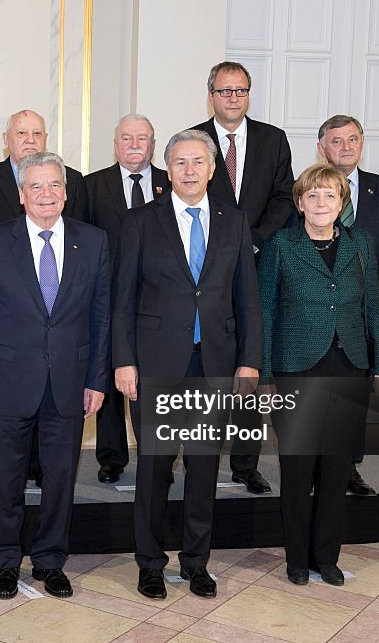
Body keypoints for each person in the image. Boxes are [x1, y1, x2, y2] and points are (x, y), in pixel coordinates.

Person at [113, 129, 261, 600]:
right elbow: (122, 302)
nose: (190, 170)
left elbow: (248, 300)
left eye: (198, 162)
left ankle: (196, 562)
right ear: (167, 168)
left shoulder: (233, 221)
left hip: (211, 364)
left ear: (213, 169)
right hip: (155, 367)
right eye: (180, 162)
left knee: (202, 472)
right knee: (154, 472)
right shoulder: (140, 222)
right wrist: (124, 362)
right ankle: (150, 564)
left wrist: (248, 363)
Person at [0, 152, 109, 600]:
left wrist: (97, 381)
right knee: (5, 479)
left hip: (70, 382)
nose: (46, 194)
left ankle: (50, 560)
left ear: (66, 192)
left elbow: (102, 318)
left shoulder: (95, 241)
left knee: (61, 477)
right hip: (7, 383)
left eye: (54, 186)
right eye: (36, 187)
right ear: (21, 195)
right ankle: (6, 560)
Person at [257, 163, 379, 587]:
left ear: (342, 203)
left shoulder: (361, 245)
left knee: (336, 470)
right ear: (299, 203)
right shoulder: (281, 245)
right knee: (297, 471)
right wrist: (263, 373)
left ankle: (326, 558)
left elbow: (373, 307)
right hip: (295, 369)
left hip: (349, 366)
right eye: (312, 195)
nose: (320, 203)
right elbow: (264, 312)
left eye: (329, 195)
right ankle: (297, 559)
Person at [0, 110, 89, 490]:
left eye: (36, 132)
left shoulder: (71, 181)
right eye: (21, 132)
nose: (29, 138)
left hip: (58, 334)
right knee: (2, 438)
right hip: (6, 326)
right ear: (7, 138)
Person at [190, 61, 295, 496]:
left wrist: (250, 242)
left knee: (252, 359)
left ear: (248, 95)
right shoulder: (193, 140)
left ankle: (246, 464)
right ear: (211, 95)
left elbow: (284, 196)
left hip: (258, 261)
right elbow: (187, 193)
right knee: (209, 365)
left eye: (240, 90)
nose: (233, 97)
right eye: (224, 90)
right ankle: (199, 458)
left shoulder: (273, 139)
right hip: (207, 269)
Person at [317, 115, 379, 496]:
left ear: (361, 143)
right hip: (318, 312)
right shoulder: (307, 189)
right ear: (322, 147)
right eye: (336, 141)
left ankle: (348, 469)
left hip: (365, 312)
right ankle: (314, 465)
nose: (345, 147)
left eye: (352, 139)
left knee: (355, 394)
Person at [85, 114, 169, 484]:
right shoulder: (91, 186)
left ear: (153, 144)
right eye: (126, 138)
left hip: (160, 299)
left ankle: (160, 457)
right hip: (106, 296)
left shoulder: (172, 183)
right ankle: (111, 456)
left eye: (142, 138)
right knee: (108, 372)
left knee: (155, 379)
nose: (134, 144)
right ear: (115, 143)